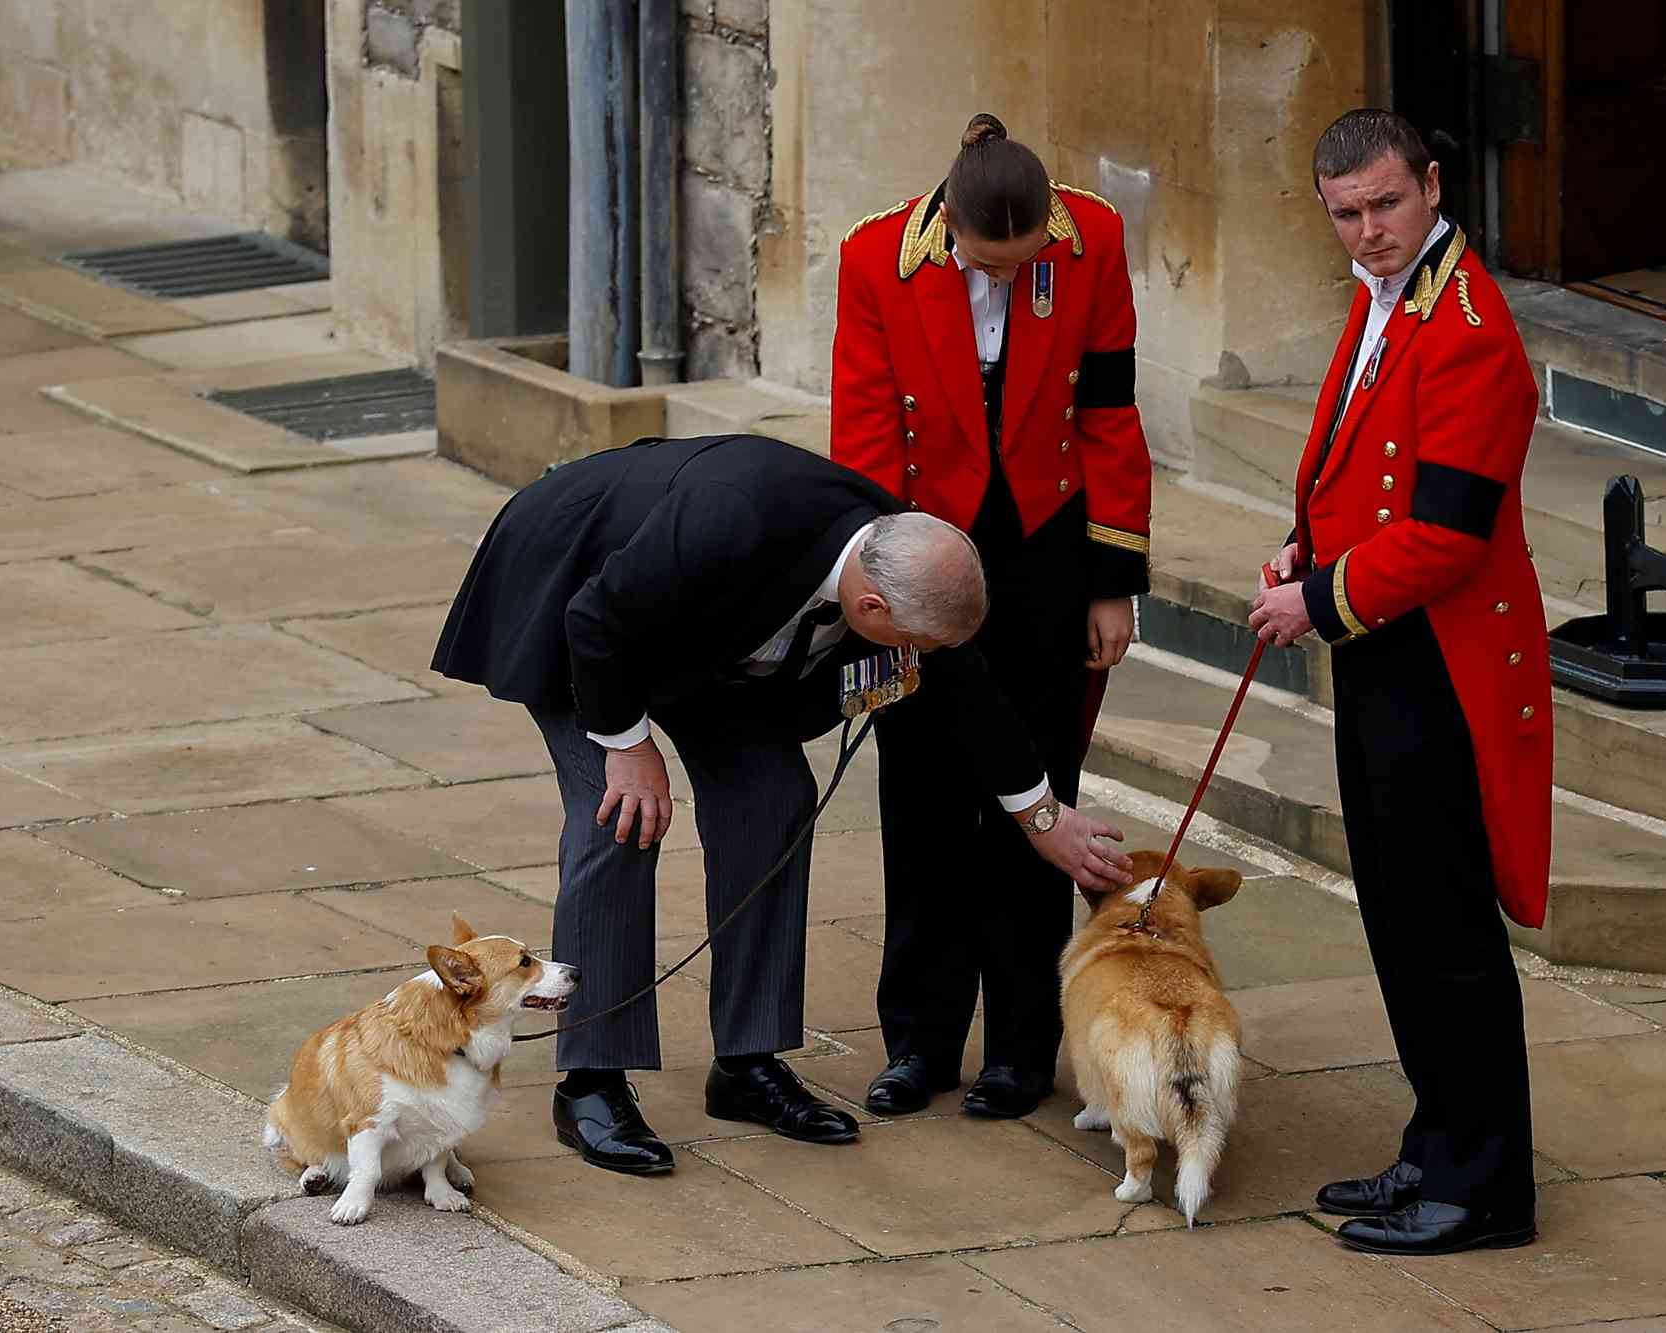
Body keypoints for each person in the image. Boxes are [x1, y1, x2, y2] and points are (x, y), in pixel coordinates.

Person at [432, 433, 1132, 1175]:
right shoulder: (729, 521)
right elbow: (596, 620)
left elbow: (968, 688)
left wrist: (1043, 818)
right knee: (621, 817)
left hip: (703, 640)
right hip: (575, 598)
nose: (921, 655)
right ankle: (591, 1084)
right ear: (869, 604)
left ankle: (746, 1062)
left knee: (775, 793)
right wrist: (632, 748)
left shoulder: (901, 553)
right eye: (914, 643)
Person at [1247, 109, 1552, 1256]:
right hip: (1386, 647)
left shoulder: (1467, 324)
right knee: (1394, 913)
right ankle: (1434, 1146)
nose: (1367, 233)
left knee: (1445, 929)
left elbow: (1447, 534)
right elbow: (1351, 463)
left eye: (1384, 205)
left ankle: (1485, 1189)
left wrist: (1312, 600)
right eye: (1345, 216)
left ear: (1429, 185)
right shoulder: (1390, 300)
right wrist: (1301, 545)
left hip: (1442, 664)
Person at [830, 113, 1153, 1120]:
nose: (1009, 282)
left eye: (1024, 267)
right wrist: (886, 595)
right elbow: (863, 430)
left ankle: (1020, 1047)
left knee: (1037, 794)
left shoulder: (1090, 235)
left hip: (1046, 551)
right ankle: (916, 1045)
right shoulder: (872, 257)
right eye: (990, 267)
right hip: (923, 545)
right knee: (920, 800)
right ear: (953, 227)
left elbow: (1107, 410)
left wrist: (1111, 580)